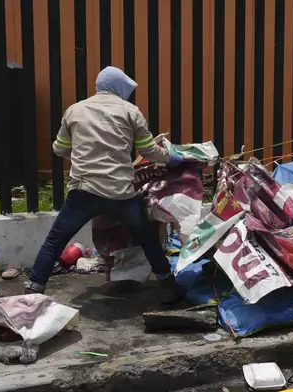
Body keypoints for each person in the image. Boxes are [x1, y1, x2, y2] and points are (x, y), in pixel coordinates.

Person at [24, 66, 185, 305]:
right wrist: (171, 159)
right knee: (147, 237)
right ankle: (168, 285)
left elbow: (59, 148)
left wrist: (81, 153)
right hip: (120, 194)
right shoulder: (131, 112)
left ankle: (34, 288)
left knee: (55, 240)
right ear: (119, 88)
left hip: (84, 192)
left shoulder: (74, 111)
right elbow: (148, 151)